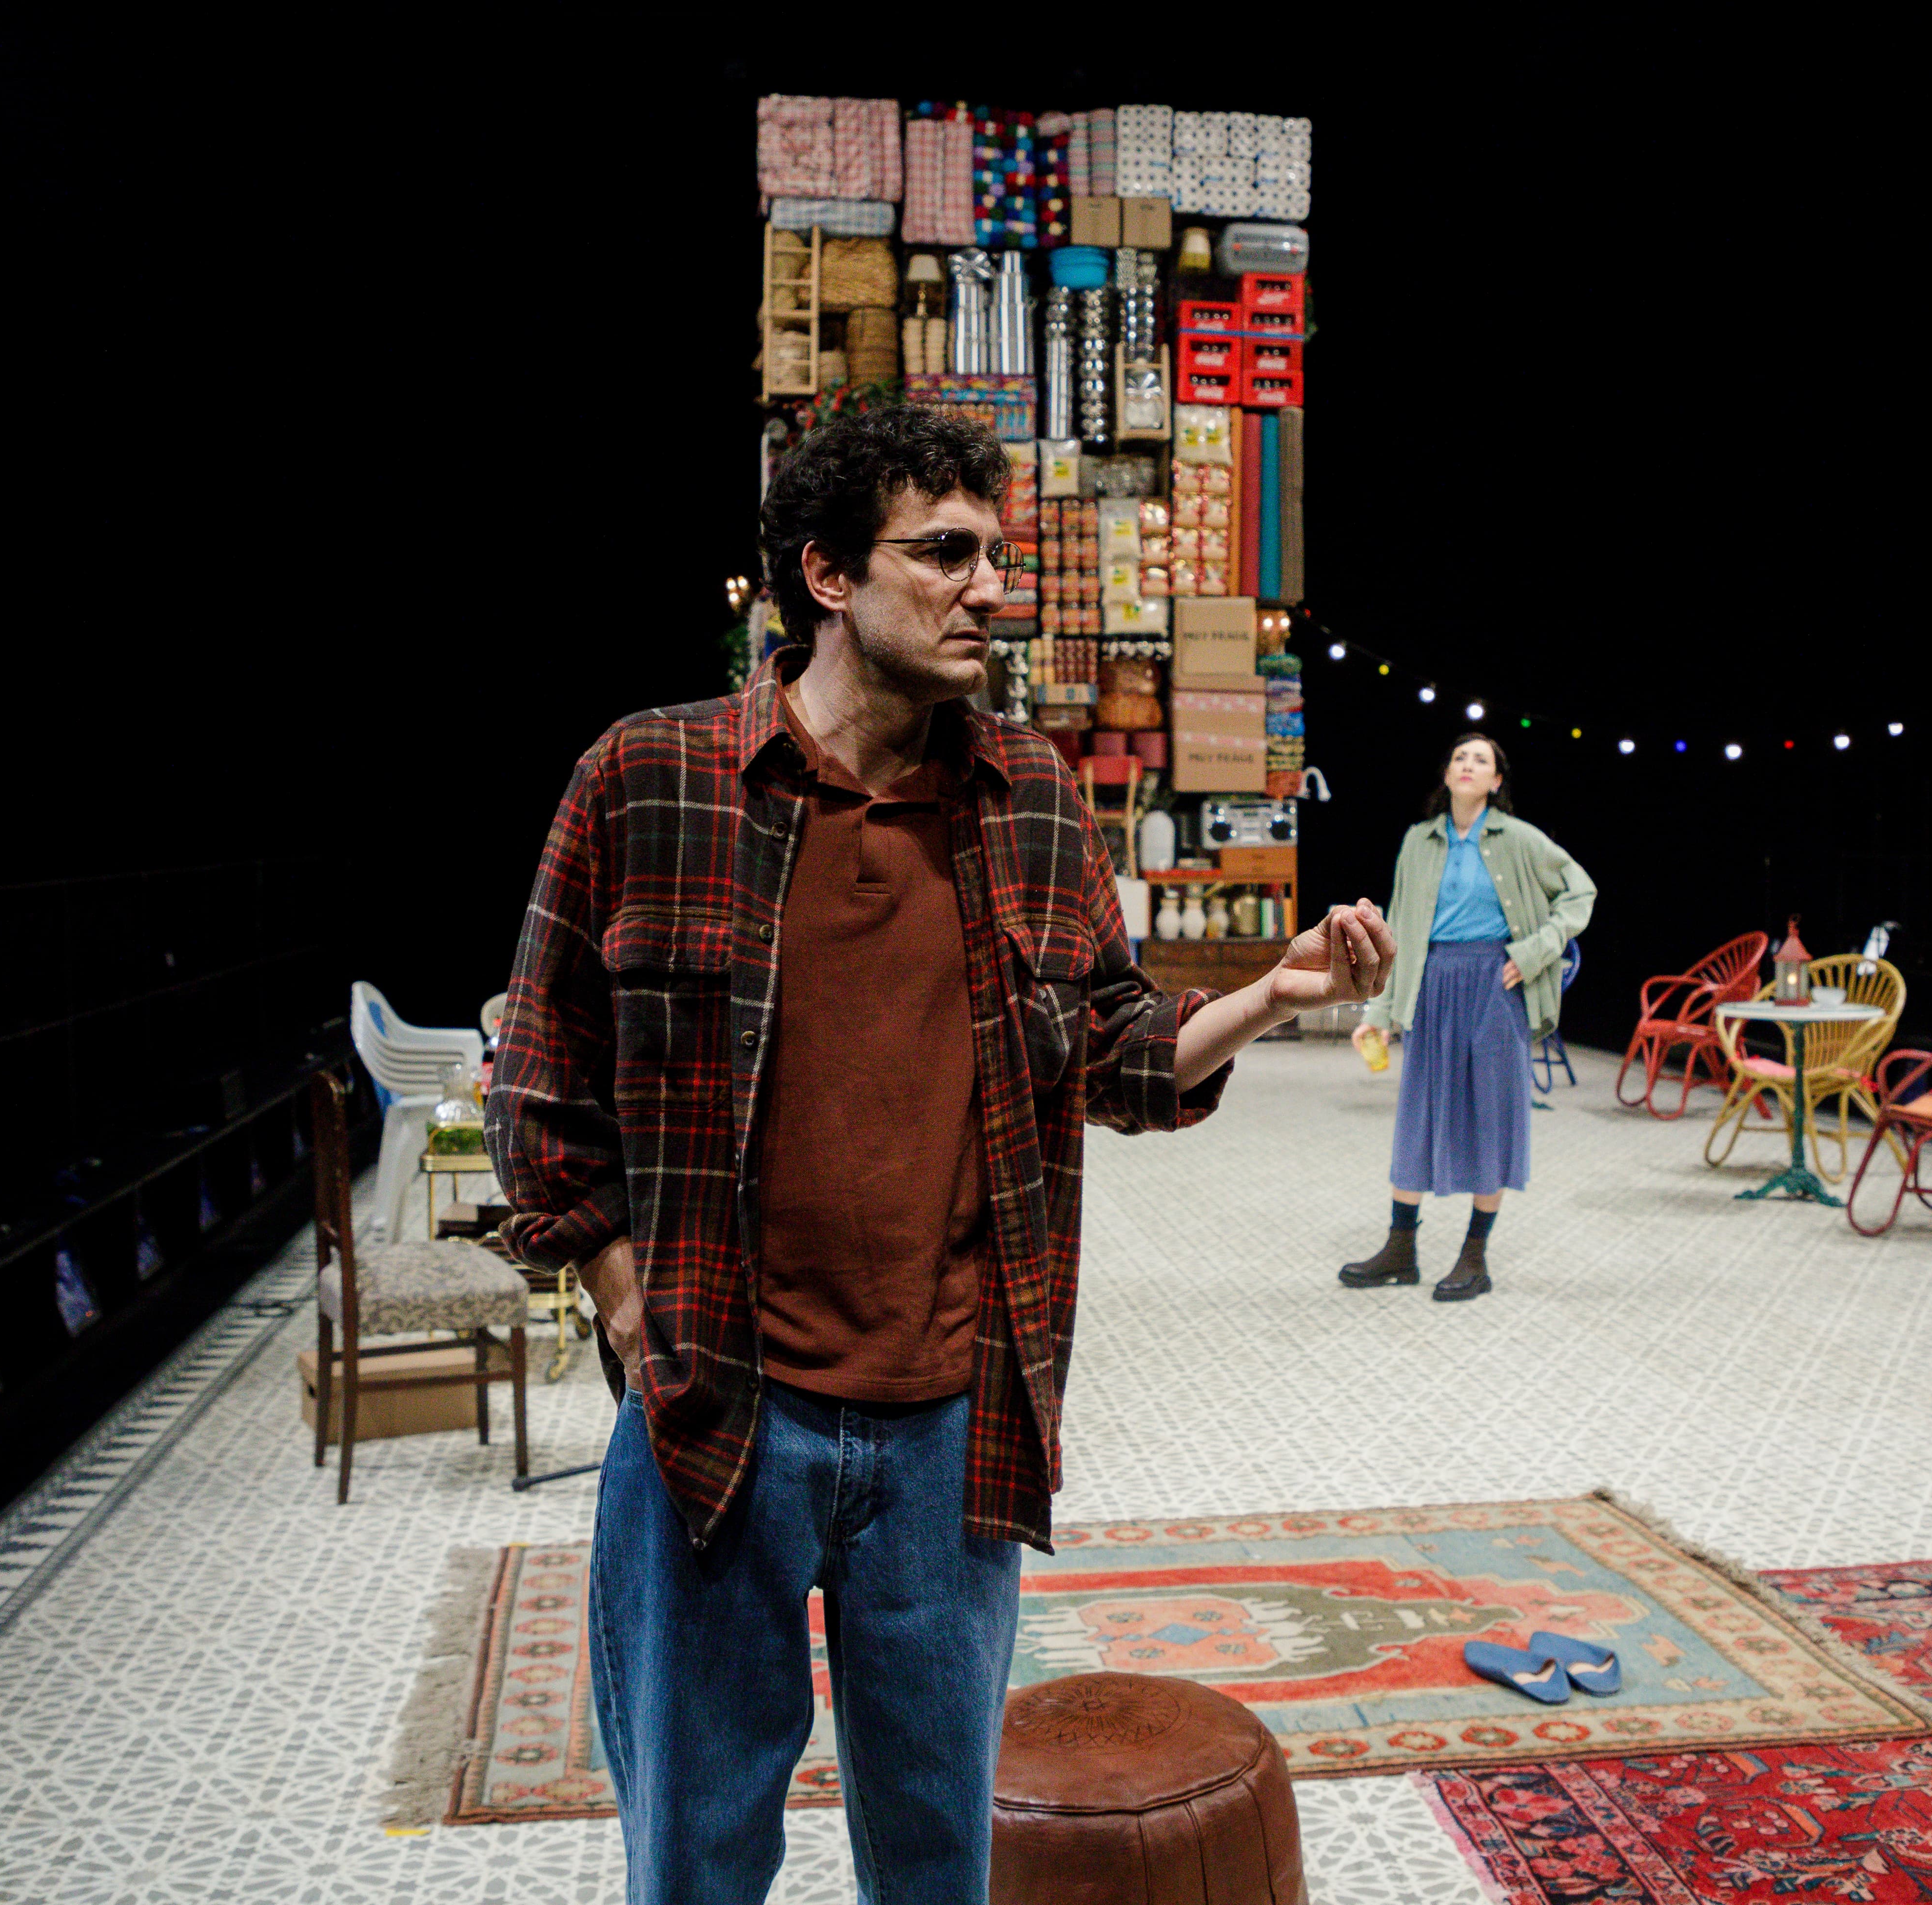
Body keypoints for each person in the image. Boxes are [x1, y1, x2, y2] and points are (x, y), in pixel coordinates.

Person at [487, 405, 1396, 1905]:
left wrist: (1271, 996)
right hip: (720, 1416)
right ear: (828, 574)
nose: (992, 588)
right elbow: (539, 1077)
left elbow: (1114, 1056)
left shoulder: (1028, 798)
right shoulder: (649, 780)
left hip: (951, 1438)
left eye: (997, 555)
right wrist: (625, 1295)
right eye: (947, 554)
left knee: (936, 1866)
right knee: (696, 1859)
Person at [1340, 732, 1596, 1301]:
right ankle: (1400, 1249)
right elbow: (1399, 926)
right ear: (1447, 773)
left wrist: (1536, 951)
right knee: (1419, 1112)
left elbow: (1581, 893)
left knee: (1492, 1114)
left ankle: (1474, 1257)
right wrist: (1379, 1009)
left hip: (1495, 984)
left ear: (1496, 781)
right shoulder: (1419, 840)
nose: (1468, 765)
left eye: (1481, 760)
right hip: (1432, 983)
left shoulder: (1521, 838)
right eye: (1460, 757)